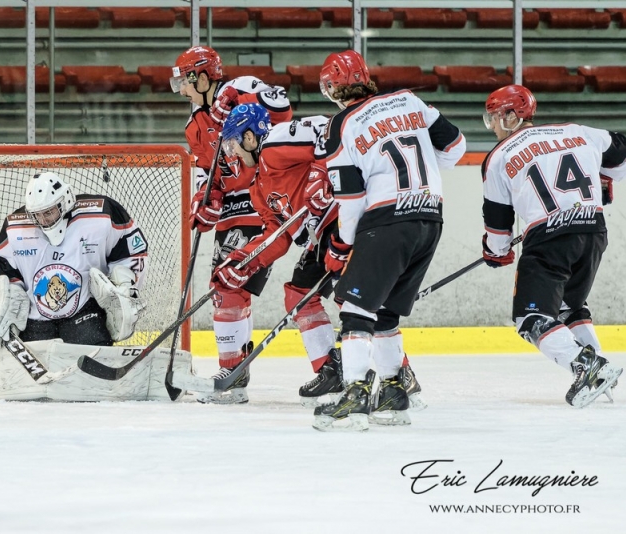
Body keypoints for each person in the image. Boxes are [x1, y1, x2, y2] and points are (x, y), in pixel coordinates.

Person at [315, 50, 466, 431]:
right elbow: (455, 148)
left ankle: (355, 393)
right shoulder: (409, 100)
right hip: (430, 216)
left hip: (386, 220)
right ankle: (395, 391)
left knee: (355, 310)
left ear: (333, 87)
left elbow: (350, 202)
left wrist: (341, 245)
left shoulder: (341, 124)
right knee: (384, 313)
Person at [480, 84, 624, 408]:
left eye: (495, 118)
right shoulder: (578, 132)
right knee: (569, 306)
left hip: (549, 239)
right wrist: (604, 182)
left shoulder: (499, 156)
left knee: (530, 318)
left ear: (512, 116)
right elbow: (622, 151)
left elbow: (499, 229)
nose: (492, 127)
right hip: (593, 230)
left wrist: (496, 252)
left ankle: (588, 367)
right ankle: (601, 370)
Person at [170, 46, 293, 404]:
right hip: (232, 214)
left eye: (185, 82)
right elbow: (209, 178)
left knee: (230, 282)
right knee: (224, 288)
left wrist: (233, 96)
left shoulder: (243, 89)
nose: (183, 90)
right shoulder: (195, 126)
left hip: (265, 200)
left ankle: (234, 369)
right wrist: (205, 204)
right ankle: (233, 369)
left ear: (203, 77)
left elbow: (283, 109)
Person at [209, 103, 342, 405]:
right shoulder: (258, 188)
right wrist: (243, 262)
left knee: (354, 299)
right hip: (320, 234)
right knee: (298, 294)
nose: (232, 156)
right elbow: (278, 236)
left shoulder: (276, 143)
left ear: (250, 138)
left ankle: (396, 373)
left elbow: (327, 128)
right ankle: (330, 371)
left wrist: (321, 176)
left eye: (233, 145)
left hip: (346, 216)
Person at [0, 172, 148, 350]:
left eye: (49, 212)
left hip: (84, 313)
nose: (43, 220)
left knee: (94, 359)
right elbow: (5, 272)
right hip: (35, 319)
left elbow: (130, 252)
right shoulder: (14, 228)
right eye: (37, 215)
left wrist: (124, 287)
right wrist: (3, 308)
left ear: (64, 201)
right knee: (29, 372)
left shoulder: (101, 215)